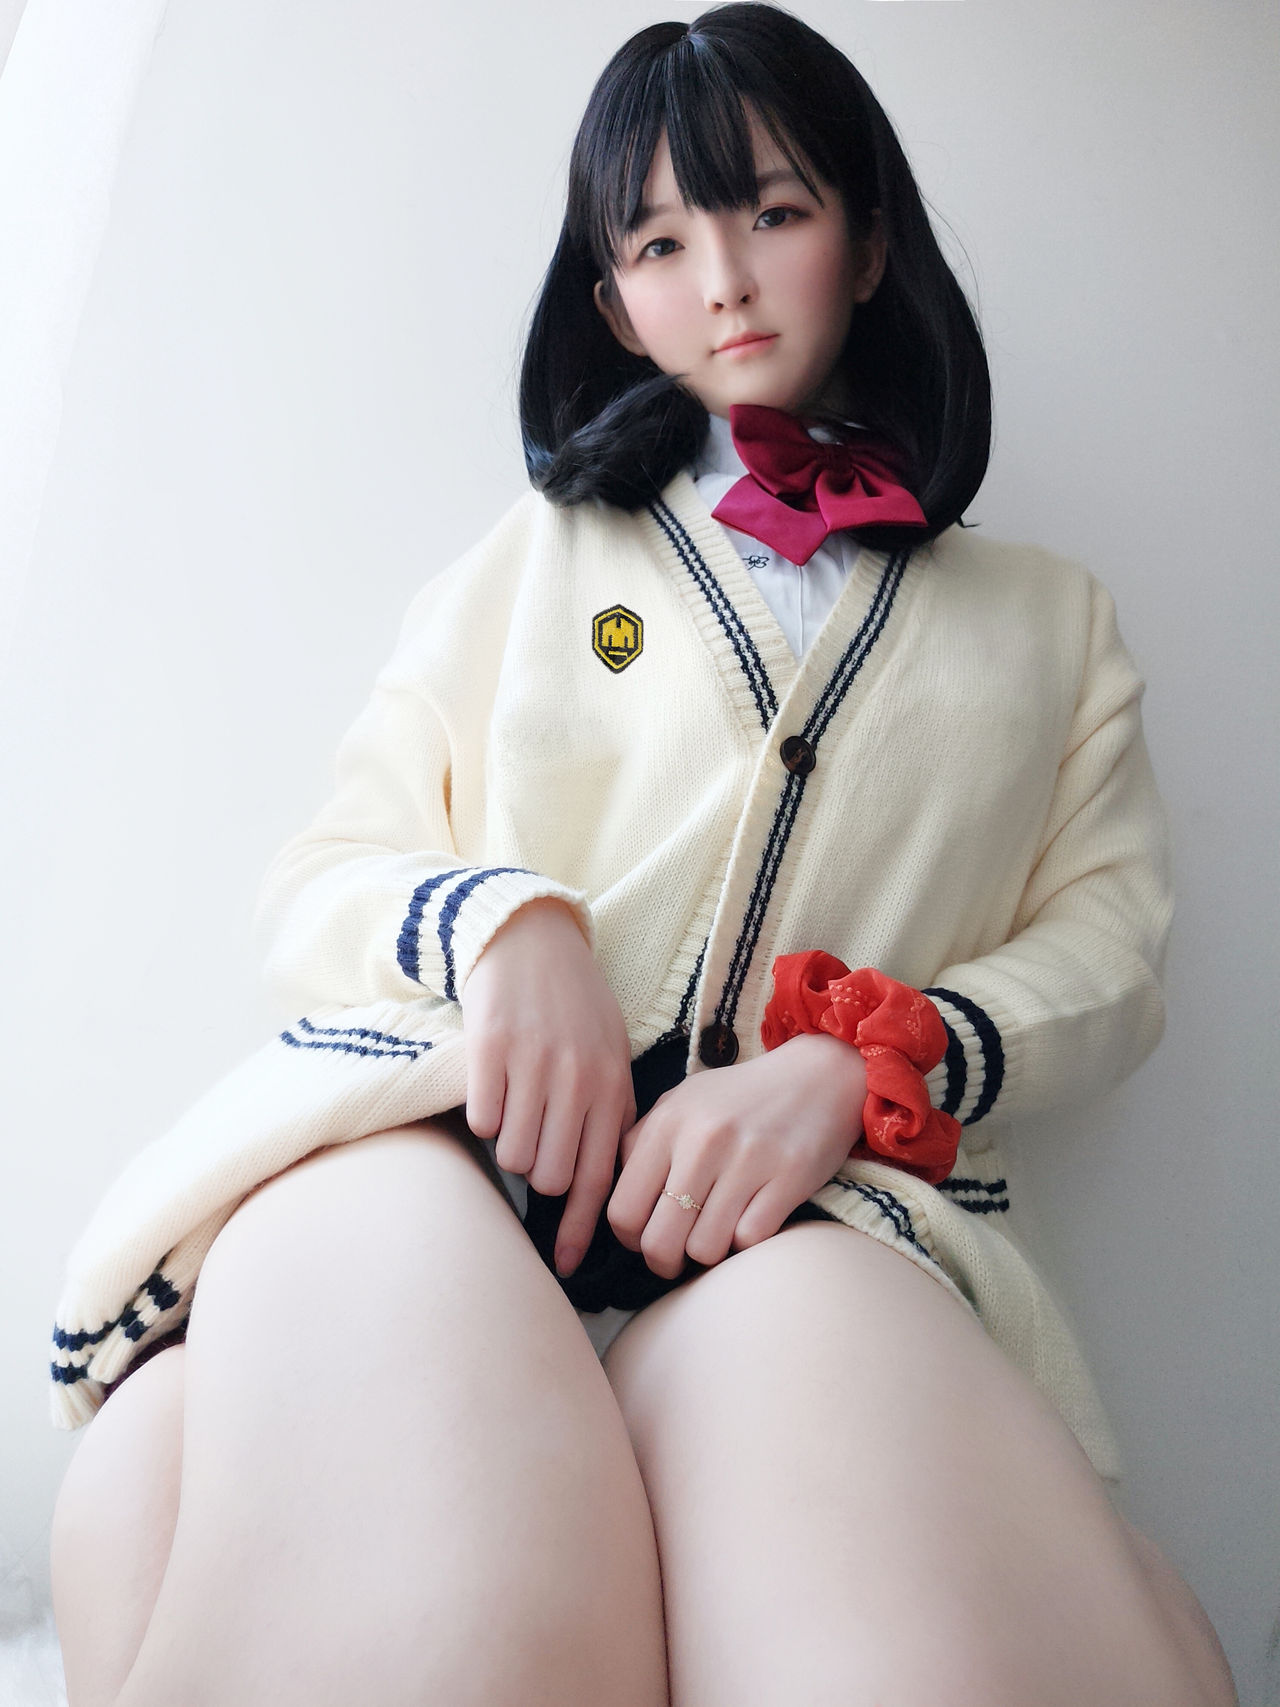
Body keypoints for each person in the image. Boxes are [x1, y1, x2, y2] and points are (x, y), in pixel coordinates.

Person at [48, 6, 1238, 1704]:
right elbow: (328, 870)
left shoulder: (1047, 626)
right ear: (612, 302)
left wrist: (856, 1067)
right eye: (662, 245)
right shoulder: (535, 563)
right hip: (435, 1145)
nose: (726, 282)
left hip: (810, 1234)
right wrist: (500, 927)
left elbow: (1107, 961)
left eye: (774, 213)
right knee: (425, 1616)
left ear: (869, 239)